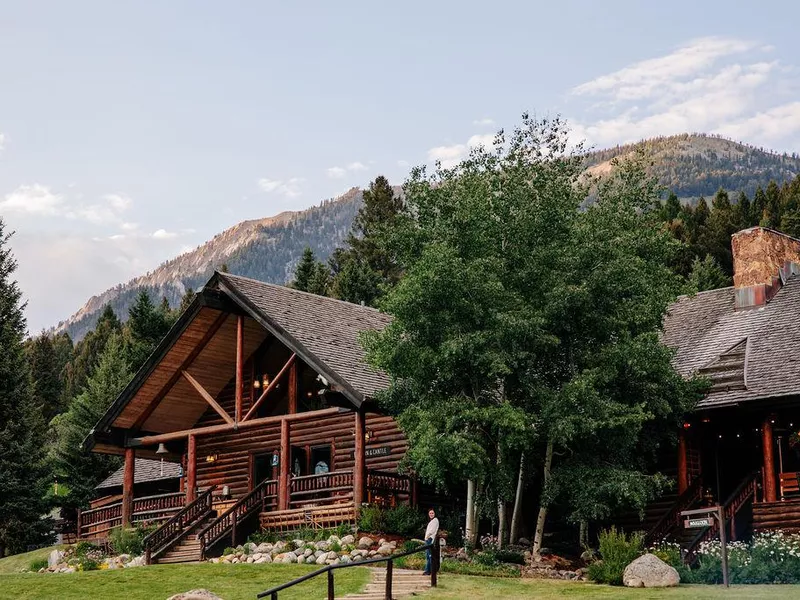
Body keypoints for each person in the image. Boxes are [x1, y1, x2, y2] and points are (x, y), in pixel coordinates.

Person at [423, 508, 439, 576]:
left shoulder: (435, 520)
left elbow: (432, 531)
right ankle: (429, 570)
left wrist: (427, 537)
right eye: (430, 513)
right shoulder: (432, 521)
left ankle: (428, 571)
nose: (431, 514)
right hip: (428, 539)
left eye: (432, 513)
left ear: (434, 514)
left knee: (429, 555)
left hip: (429, 539)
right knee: (428, 555)